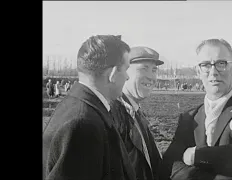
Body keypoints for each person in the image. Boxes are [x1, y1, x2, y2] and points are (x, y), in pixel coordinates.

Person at [159, 39, 232, 180]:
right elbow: (170, 165)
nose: (213, 72)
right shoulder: (189, 117)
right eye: (206, 65)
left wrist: (196, 156)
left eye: (221, 63)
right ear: (198, 71)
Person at [43, 35, 135, 180]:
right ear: (112, 74)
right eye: (126, 69)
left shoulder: (77, 106)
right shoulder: (83, 124)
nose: (128, 77)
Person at [111, 46, 164, 180]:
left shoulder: (135, 112)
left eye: (154, 70)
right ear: (125, 72)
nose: (151, 77)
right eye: (143, 69)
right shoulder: (113, 113)